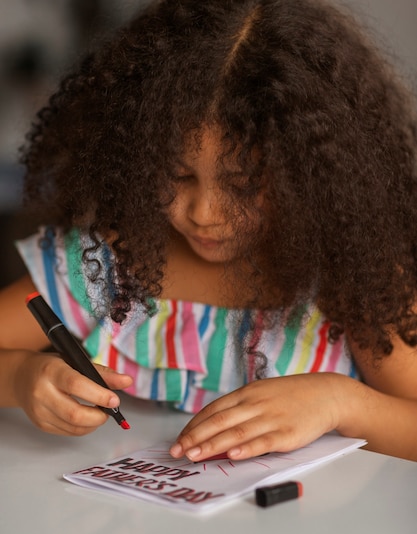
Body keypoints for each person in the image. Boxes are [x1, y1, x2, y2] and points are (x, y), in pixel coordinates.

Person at [1, 0, 417, 462]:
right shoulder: (107, 265)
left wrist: (341, 402)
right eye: (177, 176)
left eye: (242, 186)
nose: (203, 212)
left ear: (315, 177)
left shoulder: (356, 275)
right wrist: (19, 377)